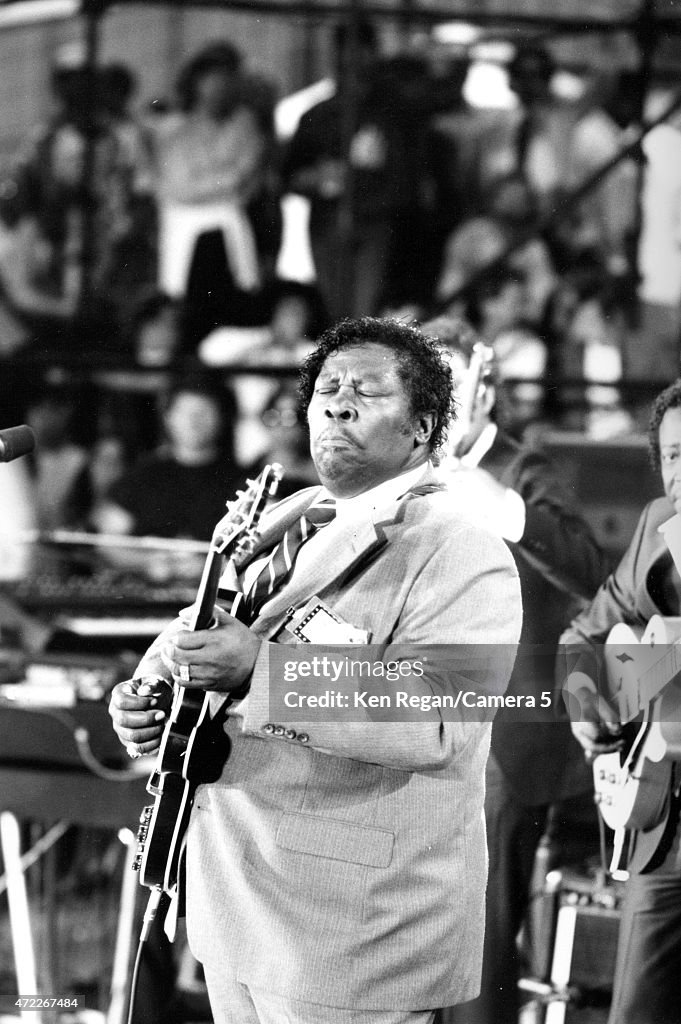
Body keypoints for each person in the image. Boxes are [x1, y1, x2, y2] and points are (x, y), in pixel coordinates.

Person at [109, 316, 523, 1024]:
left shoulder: (461, 544)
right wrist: (149, 696)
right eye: (326, 388)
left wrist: (259, 673)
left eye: (365, 390)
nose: (336, 403)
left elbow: (437, 717)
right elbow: (201, 632)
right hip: (236, 901)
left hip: (352, 927)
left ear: (422, 427)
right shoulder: (288, 518)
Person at [422, 317, 609, 1024]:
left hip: (499, 742)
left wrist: (497, 506)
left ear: (484, 389)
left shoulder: (525, 470)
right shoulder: (400, 475)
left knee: (479, 951)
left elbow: (590, 570)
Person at [560, 378, 681, 1024]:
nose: (679, 473)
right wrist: (594, 724)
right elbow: (582, 636)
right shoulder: (657, 528)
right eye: (670, 455)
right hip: (658, 823)